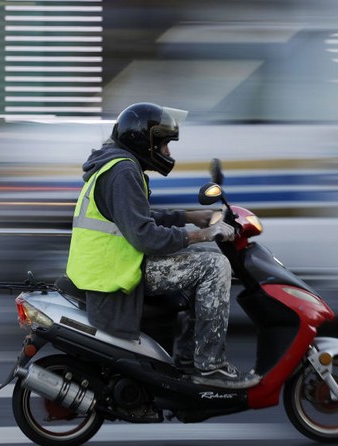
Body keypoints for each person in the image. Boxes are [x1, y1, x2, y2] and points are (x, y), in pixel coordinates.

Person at [65, 102, 260, 389]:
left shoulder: (115, 165)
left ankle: (184, 358)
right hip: (116, 272)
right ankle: (210, 367)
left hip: (108, 266)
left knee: (199, 259)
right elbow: (146, 236)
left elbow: (134, 218)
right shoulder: (122, 172)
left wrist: (189, 217)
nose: (167, 153)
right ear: (144, 141)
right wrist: (201, 235)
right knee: (215, 265)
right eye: (164, 145)